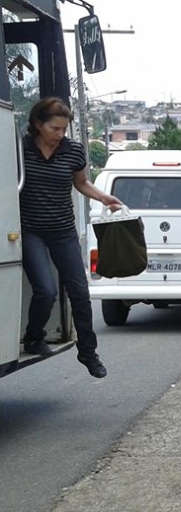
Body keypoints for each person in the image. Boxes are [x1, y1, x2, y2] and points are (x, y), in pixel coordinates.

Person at [20, 97, 121, 378]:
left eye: (64, 129)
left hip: (63, 230)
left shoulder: (73, 150)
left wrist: (105, 198)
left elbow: (81, 182)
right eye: (54, 128)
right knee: (46, 290)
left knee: (80, 293)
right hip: (30, 230)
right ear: (38, 124)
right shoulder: (21, 149)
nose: (60, 134)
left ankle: (88, 352)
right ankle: (33, 337)